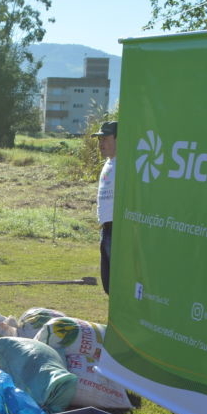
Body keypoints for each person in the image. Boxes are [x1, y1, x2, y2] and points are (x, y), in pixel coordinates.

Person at [94, 121, 117, 295]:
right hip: (106, 227)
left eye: (105, 138)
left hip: (117, 227)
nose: (101, 144)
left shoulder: (124, 164)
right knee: (107, 280)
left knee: (116, 278)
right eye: (99, 139)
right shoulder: (108, 163)